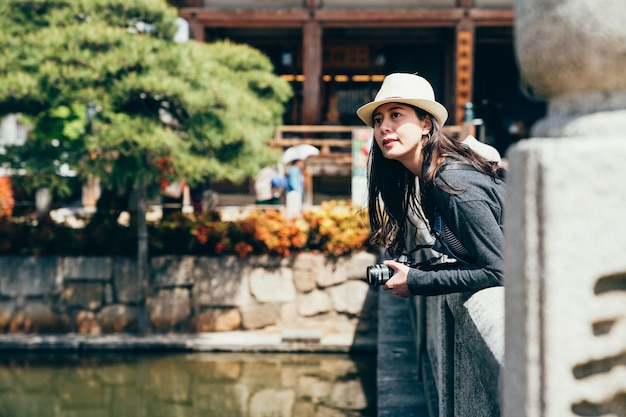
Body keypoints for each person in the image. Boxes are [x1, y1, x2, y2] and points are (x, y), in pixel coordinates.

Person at [356, 73, 506, 298]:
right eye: (378, 120)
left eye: (395, 115)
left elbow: (499, 271)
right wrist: (420, 272)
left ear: (426, 124)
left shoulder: (454, 186)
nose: (384, 127)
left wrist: (417, 282)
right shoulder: (431, 179)